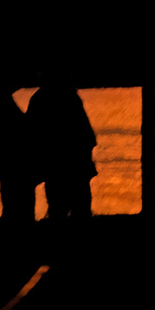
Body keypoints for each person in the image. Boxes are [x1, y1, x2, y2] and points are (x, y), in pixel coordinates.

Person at [29, 83, 97, 218]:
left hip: (57, 167)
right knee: (75, 209)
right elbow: (88, 136)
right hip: (68, 166)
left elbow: (32, 135)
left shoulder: (39, 98)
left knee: (60, 209)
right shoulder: (69, 97)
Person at [0, 85, 37, 222]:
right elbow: (20, 127)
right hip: (11, 162)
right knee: (19, 205)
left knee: (13, 204)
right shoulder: (0, 99)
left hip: (5, 160)